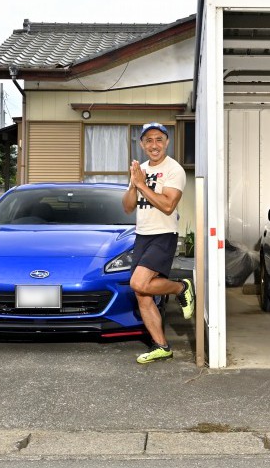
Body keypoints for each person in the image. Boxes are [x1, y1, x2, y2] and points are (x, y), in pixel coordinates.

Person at [122, 122, 194, 364]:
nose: (154, 145)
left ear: (167, 142)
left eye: (159, 139)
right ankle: (162, 346)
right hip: (142, 234)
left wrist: (142, 183)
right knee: (142, 293)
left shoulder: (174, 170)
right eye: (149, 140)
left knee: (138, 282)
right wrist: (134, 183)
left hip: (163, 234)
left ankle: (181, 288)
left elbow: (167, 205)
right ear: (142, 144)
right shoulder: (140, 170)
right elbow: (128, 207)